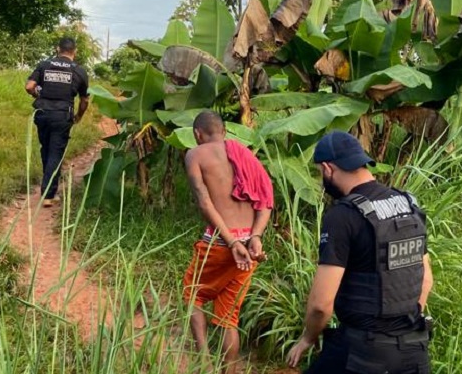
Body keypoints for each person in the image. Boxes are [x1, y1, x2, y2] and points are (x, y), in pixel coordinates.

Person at [286, 130, 434, 374]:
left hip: (363, 353)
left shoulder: (342, 216)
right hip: (414, 350)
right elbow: (425, 280)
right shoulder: (408, 204)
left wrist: (308, 338)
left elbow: (321, 305)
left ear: (328, 168)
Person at [182, 110, 274, 374]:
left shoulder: (195, 154)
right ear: (224, 131)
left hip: (223, 243)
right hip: (249, 245)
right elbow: (266, 200)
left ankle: (204, 361)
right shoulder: (244, 154)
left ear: (197, 134)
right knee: (228, 317)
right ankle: (230, 369)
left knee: (193, 296)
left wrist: (231, 241)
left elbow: (204, 201)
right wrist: (254, 236)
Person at [24, 37, 90, 207]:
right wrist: (79, 116)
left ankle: (49, 186)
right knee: (55, 152)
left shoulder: (44, 65)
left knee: (46, 149)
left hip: (42, 113)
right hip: (62, 116)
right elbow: (84, 100)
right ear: (75, 51)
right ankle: (48, 194)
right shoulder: (79, 71)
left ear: (57, 49)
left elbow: (29, 86)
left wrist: (38, 95)